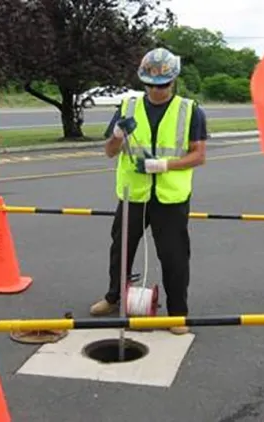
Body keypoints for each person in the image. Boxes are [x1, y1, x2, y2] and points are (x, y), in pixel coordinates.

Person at [89, 47, 208, 335]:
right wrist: (117, 135)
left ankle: (177, 313)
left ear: (173, 81)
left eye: (163, 85)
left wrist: (162, 165)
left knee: (174, 256)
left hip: (170, 198)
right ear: (144, 82)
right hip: (133, 194)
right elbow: (109, 152)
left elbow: (198, 156)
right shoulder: (128, 106)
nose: (157, 91)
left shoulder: (189, 110)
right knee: (121, 249)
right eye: (151, 85)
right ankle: (113, 298)